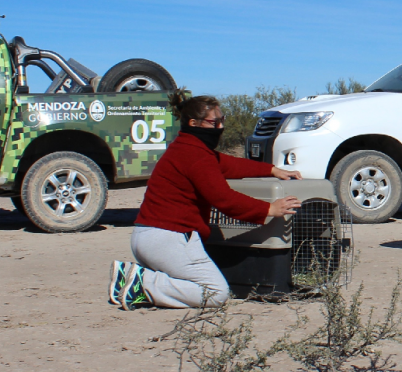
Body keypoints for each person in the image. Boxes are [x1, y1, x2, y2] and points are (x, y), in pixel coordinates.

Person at [109, 91, 302, 311]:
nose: (220, 127)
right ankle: (141, 282)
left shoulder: (185, 148)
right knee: (214, 292)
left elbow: (228, 164)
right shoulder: (196, 156)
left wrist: (271, 169)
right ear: (194, 123)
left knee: (195, 284)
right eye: (214, 122)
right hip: (170, 239)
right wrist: (269, 208)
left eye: (222, 120)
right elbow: (223, 199)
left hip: (146, 237)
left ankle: (139, 279)